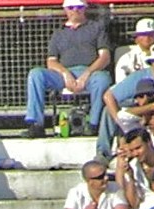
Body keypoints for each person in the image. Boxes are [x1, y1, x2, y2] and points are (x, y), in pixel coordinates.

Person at [24, 0, 111, 139]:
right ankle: (35, 124)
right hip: (63, 74)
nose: (75, 10)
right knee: (36, 74)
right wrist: (65, 73)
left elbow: (105, 57)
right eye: (71, 7)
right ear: (65, 10)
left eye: (79, 7)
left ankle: (94, 124)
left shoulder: (96, 28)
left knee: (102, 79)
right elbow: (51, 61)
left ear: (85, 9)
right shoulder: (58, 33)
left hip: (90, 72)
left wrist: (87, 73)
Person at [115, 19, 154, 83]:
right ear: (136, 38)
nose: (147, 38)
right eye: (143, 34)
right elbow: (121, 87)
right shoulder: (126, 59)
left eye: (151, 34)